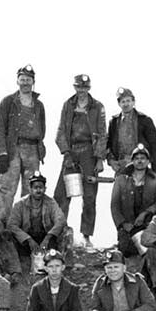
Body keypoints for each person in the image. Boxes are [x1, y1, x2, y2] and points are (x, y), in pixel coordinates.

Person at [54, 74, 108, 243]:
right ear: (75, 87)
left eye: (85, 87)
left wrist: (99, 158)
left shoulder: (97, 107)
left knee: (90, 196)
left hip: (89, 153)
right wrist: (66, 153)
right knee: (62, 193)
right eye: (79, 87)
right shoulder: (68, 105)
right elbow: (60, 131)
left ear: (89, 88)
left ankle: (86, 235)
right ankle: (60, 232)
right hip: (72, 151)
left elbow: (102, 133)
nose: (82, 91)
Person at [0, 64, 47, 204]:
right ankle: (2, 224)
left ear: (33, 82)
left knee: (32, 188)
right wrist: (2, 153)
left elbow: (42, 129)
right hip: (13, 149)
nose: (25, 83)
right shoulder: (8, 102)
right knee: (5, 189)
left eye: (28, 80)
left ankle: (26, 225)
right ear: (17, 81)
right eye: (22, 79)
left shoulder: (39, 106)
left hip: (32, 151)